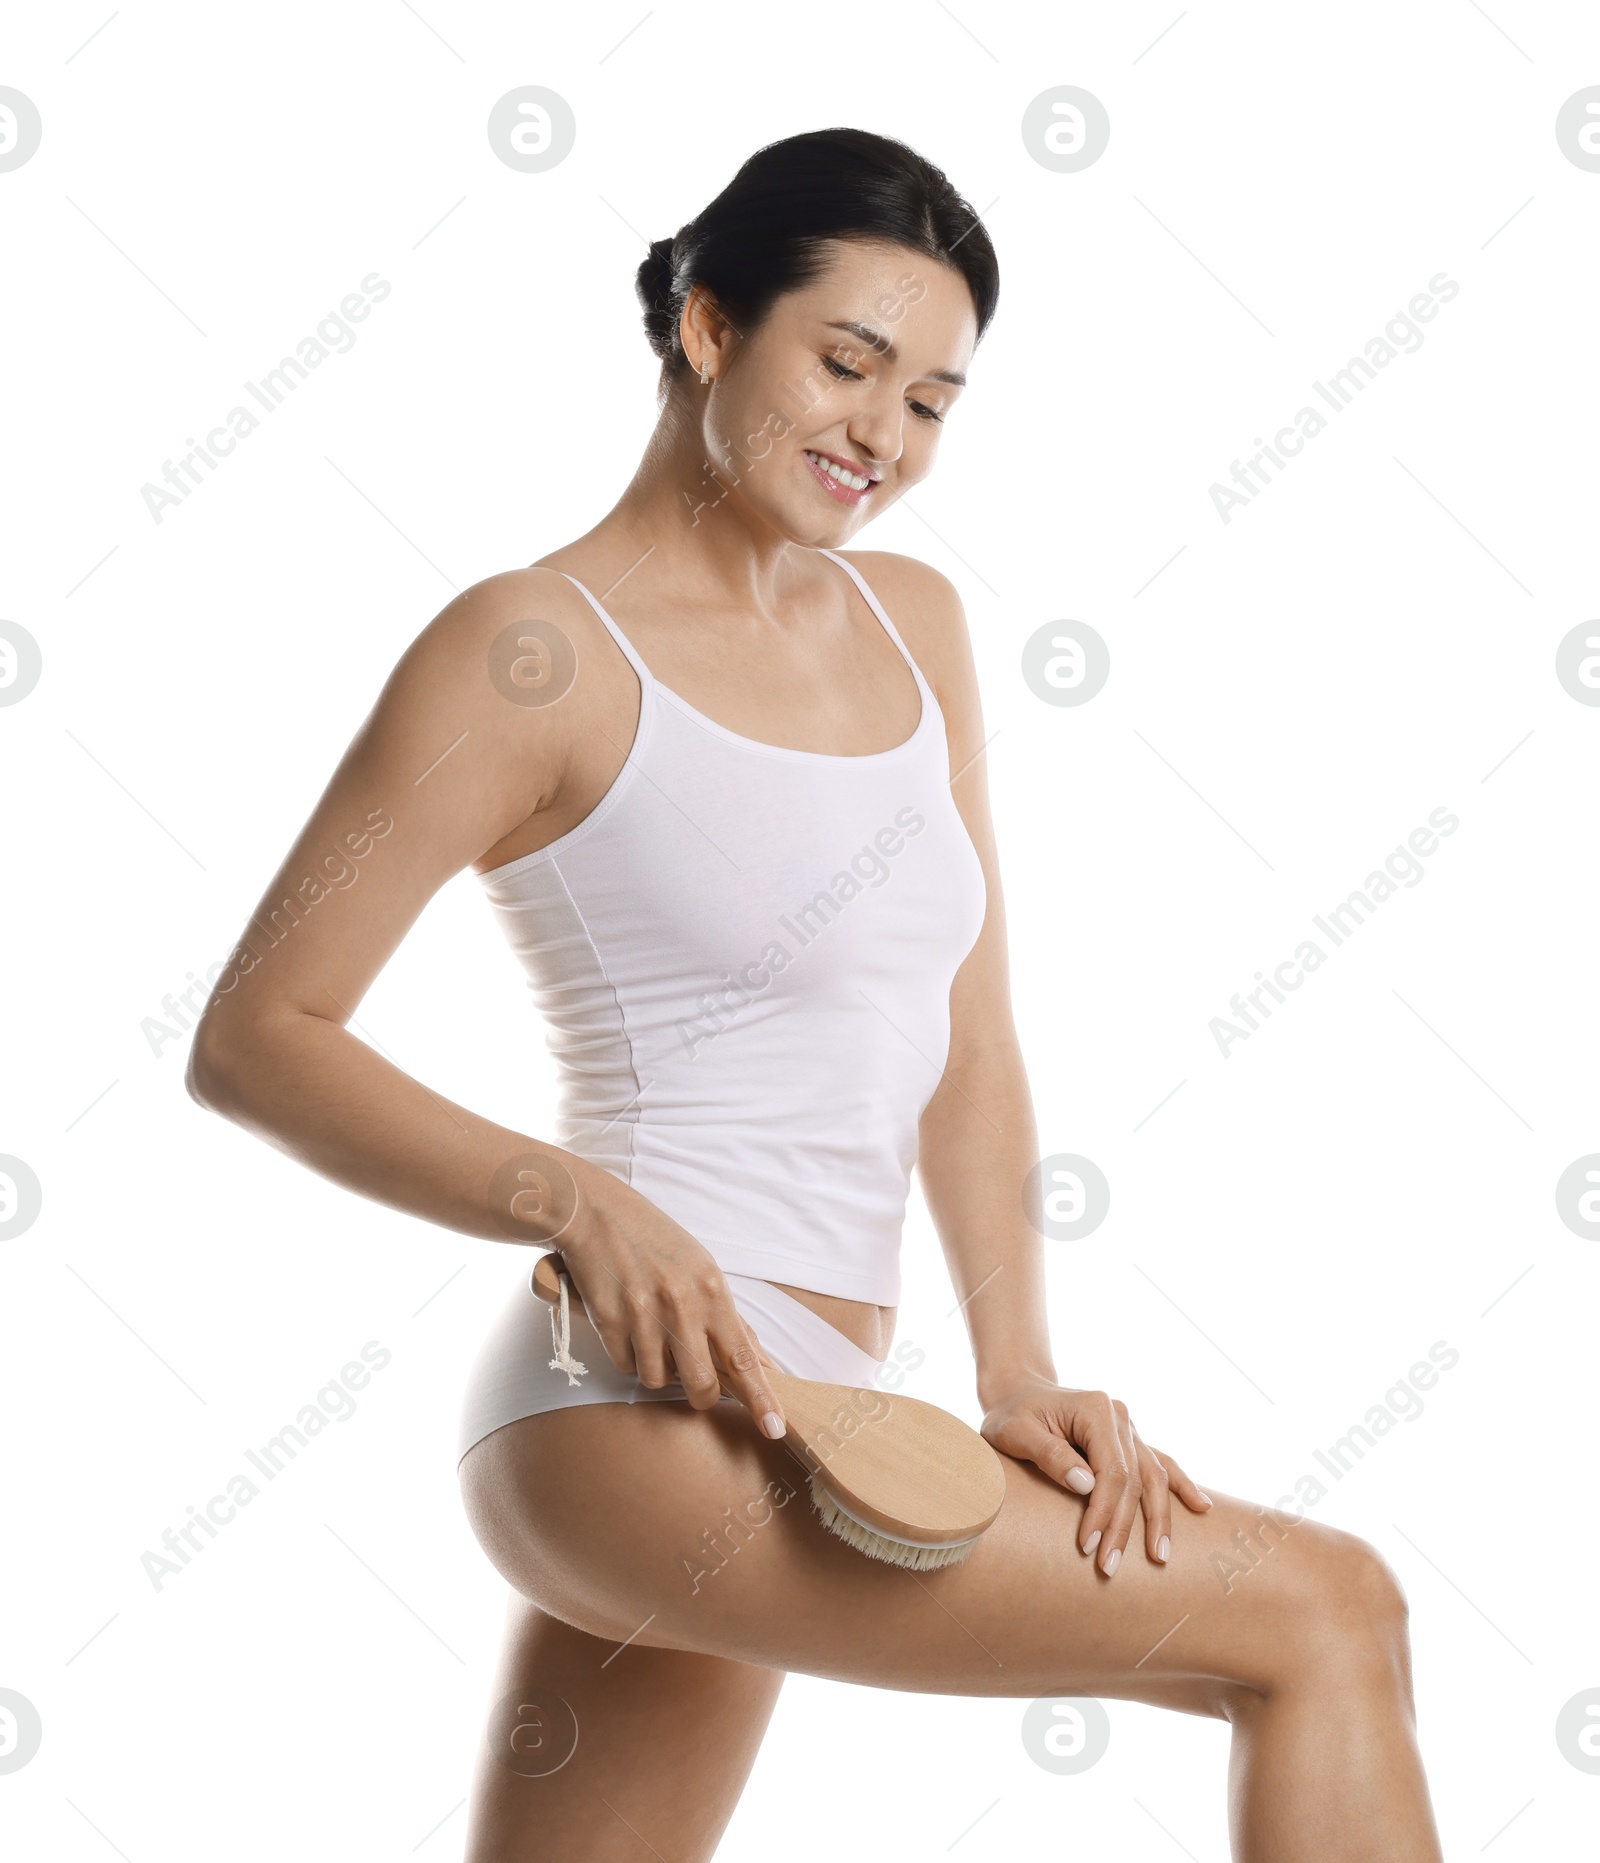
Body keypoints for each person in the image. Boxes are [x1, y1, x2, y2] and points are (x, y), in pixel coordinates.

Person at [188, 127, 1444, 1862]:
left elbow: (969, 1039)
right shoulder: (529, 648)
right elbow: (259, 1036)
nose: (882, 434)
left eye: (931, 400)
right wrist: (578, 1200)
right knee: (1327, 1616)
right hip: (637, 1412)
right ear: (711, 327)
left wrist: (1019, 1367)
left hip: (823, 1417)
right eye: (844, 364)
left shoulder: (915, 627)